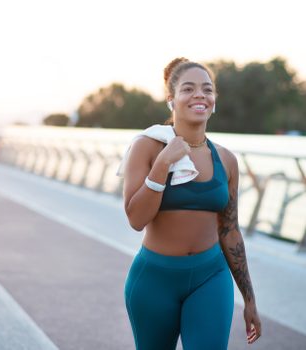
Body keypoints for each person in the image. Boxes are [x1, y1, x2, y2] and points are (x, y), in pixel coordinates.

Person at [120, 57, 261, 350]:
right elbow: (135, 219)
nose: (199, 95)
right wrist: (162, 164)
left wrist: (249, 300)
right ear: (171, 100)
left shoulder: (227, 160)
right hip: (154, 280)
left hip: (211, 276)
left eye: (207, 89)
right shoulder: (147, 146)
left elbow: (230, 231)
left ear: (214, 101)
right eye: (188, 89)